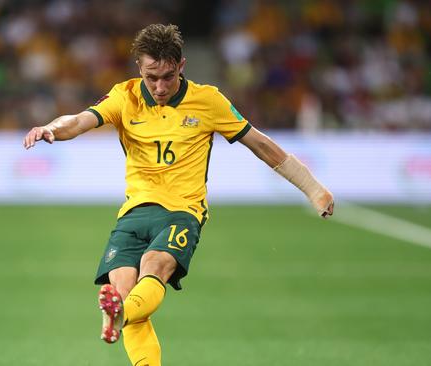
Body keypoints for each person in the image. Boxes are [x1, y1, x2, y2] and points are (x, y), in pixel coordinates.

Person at [23, 23, 334, 366]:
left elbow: (260, 144)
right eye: (151, 76)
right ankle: (123, 313)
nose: (159, 86)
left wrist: (313, 188)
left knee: (153, 266)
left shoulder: (208, 101)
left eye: (168, 77)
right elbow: (80, 121)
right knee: (129, 298)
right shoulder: (124, 96)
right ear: (139, 68)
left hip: (183, 211)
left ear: (181, 66)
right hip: (134, 213)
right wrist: (51, 129)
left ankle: (120, 313)